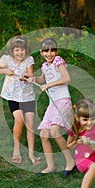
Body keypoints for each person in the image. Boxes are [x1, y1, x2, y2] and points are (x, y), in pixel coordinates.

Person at [27, 38, 76, 177]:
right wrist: (33, 78)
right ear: (41, 53)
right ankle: (51, 166)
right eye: (46, 51)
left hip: (63, 101)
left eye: (52, 50)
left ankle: (70, 162)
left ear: (56, 51)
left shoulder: (58, 61)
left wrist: (49, 85)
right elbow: (43, 79)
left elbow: (67, 78)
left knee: (55, 131)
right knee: (44, 134)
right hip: (52, 103)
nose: (49, 53)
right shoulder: (44, 66)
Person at [0, 36, 41, 165]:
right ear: (12, 51)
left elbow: (30, 74)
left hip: (27, 96)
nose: (20, 53)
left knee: (30, 123)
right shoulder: (6, 59)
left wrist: (27, 77)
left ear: (26, 50)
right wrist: (5, 70)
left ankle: (31, 153)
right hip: (12, 96)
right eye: (17, 50)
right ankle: (16, 150)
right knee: (19, 119)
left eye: (22, 49)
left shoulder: (29, 59)